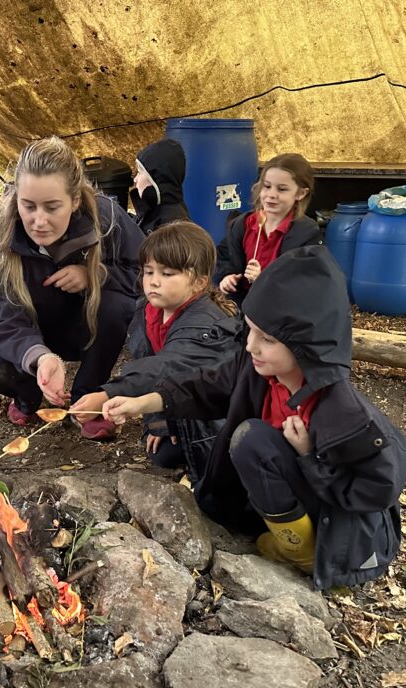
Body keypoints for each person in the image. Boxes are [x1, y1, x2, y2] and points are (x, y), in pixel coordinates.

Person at [104, 246, 406, 589]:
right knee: (243, 441)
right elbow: (203, 386)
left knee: (252, 439)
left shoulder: (345, 414)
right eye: (249, 331)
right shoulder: (258, 370)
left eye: (268, 339)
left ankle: (301, 552)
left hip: (336, 531)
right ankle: (271, 527)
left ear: (306, 345)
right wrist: (141, 402)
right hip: (284, 495)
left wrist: (310, 457)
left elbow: (379, 489)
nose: (250, 346)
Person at [0, 136, 145, 440]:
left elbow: (144, 272)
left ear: (74, 200)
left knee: (117, 306)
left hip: (83, 327)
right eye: (29, 206)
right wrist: (39, 356)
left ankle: (86, 399)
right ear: (16, 197)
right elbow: (0, 318)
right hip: (31, 331)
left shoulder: (107, 219)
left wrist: (94, 275)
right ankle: (27, 394)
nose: (38, 221)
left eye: (52, 207)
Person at [70, 221, 239, 484]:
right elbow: (148, 363)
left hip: (215, 416)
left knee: (188, 458)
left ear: (199, 282)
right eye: (148, 272)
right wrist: (159, 422)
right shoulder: (147, 312)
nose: (153, 282)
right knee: (161, 451)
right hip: (177, 401)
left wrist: (109, 393)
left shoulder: (206, 325)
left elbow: (167, 366)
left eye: (168, 274)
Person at [215, 153, 322, 305]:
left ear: (300, 193)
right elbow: (224, 256)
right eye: (267, 186)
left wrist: (264, 280)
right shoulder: (241, 225)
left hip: (278, 312)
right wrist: (227, 277)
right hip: (240, 308)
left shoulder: (306, 233)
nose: (271, 194)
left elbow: (305, 282)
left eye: (282, 189)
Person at [130, 138, 191, 235]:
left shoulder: (172, 225)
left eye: (140, 172)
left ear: (156, 178)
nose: (135, 179)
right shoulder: (156, 209)